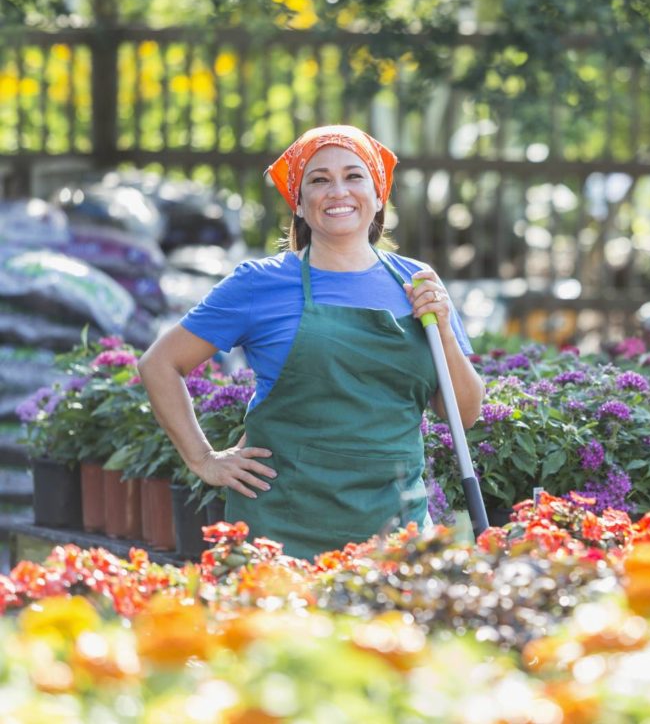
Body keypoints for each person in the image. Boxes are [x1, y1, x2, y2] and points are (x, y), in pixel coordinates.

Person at [138, 125, 484, 559]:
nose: (338, 191)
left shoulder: (417, 282)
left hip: (395, 531)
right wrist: (203, 459)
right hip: (282, 530)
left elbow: (464, 413)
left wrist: (445, 330)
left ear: (378, 196)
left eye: (354, 176)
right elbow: (159, 364)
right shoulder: (259, 284)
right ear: (299, 204)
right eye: (319, 180)